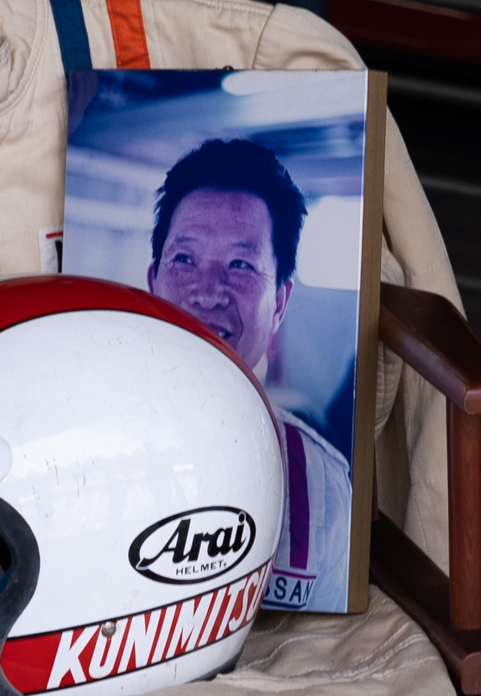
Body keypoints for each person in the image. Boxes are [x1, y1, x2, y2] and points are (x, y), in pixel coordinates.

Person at [145, 138, 354, 612]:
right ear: (152, 280)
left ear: (280, 301)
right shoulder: (77, 440)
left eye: (240, 264)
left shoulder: (323, 489)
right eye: (185, 259)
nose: (207, 292)